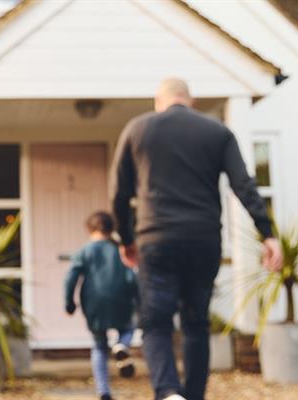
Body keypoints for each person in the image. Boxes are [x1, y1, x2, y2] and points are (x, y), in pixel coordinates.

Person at [110, 78, 283, 400]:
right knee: (195, 323)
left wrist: (126, 238)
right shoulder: (217, 131)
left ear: (158, 101)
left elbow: (119, 193)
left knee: (156, 322)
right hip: (203, 240)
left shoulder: (138, 129)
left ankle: (168, 392)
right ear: (191, 100)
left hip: (156, 239)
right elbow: (243, 184)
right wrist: (267, 233)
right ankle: (192, 396)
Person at [65, 211, 140, 400]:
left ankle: (103, 391)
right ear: (111, 228)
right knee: (128, 328)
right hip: (121, 298)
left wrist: (69, 302)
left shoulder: (85, 251)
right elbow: (132, 276)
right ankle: (122, 345)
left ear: (89, 229)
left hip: (94, 302)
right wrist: (138, 299)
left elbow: (71, 277)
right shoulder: (119, 249)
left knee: (99, 345)